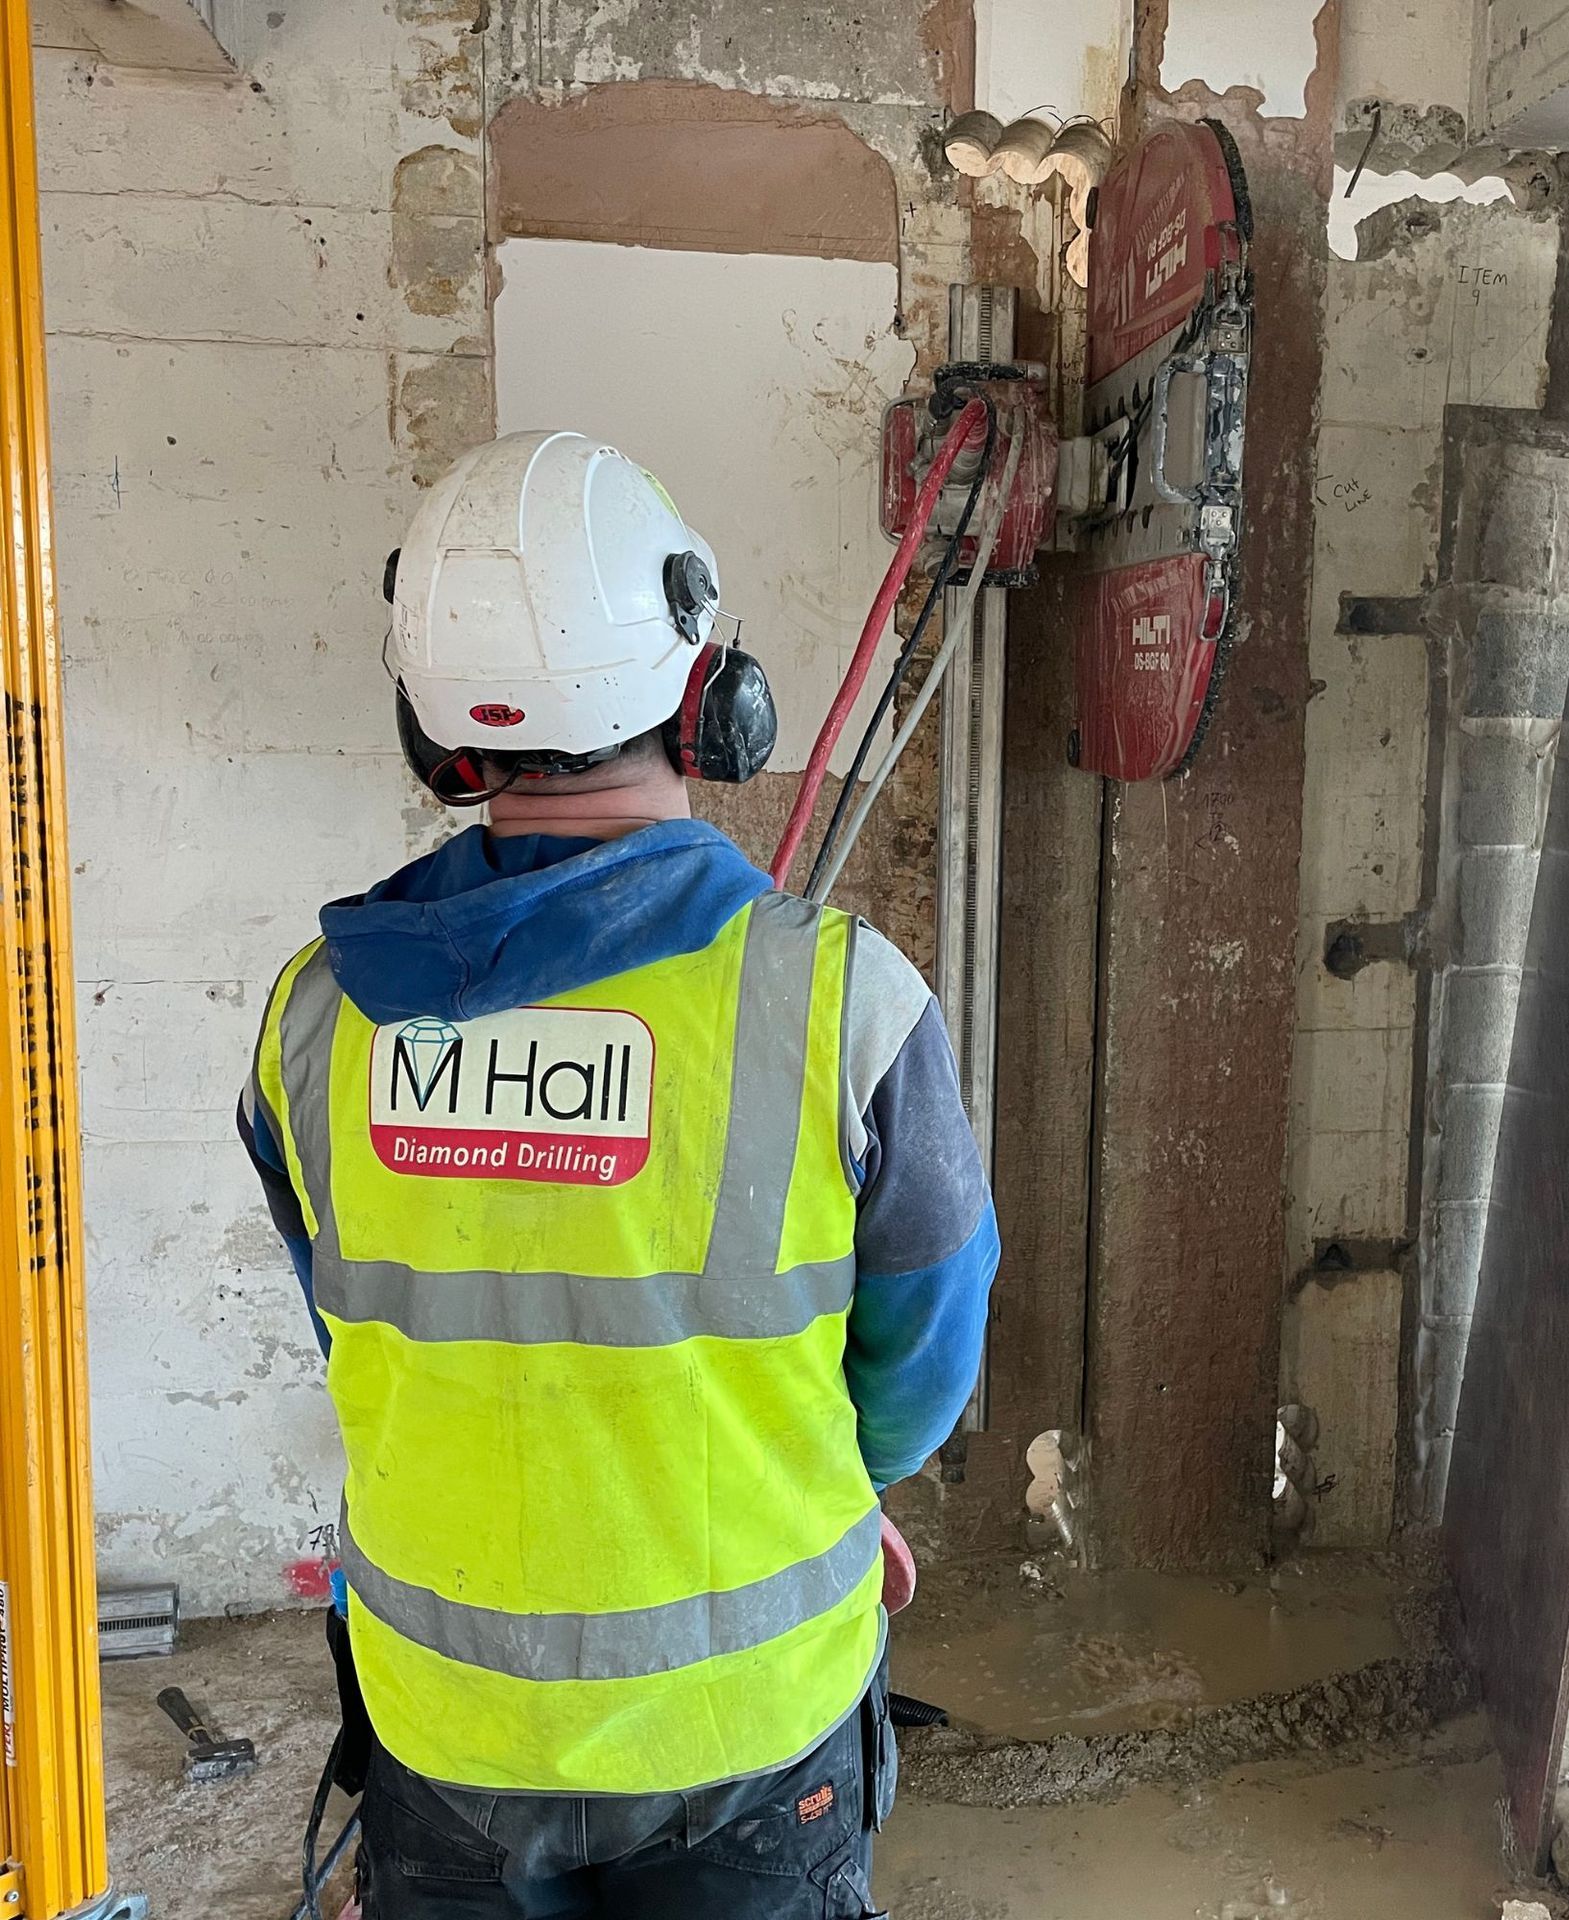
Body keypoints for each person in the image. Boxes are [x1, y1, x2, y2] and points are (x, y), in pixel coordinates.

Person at [239, 429, 998, 1919]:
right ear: (708, 691)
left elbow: (367, 1335)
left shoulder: (313, 1017)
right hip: (745, 1730)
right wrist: (829, 1493)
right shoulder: (843, 1003)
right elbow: (919, 1369)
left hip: (447, 1727)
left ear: (434, 733)